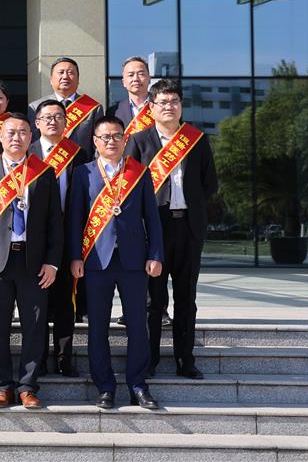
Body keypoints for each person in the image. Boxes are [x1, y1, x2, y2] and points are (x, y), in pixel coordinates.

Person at [68, 116, 164, 410]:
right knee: (98, 326)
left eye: (117, 136)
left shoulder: (139, 172)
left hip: (134, 260)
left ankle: (138, 385)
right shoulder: (83, 173)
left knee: (138, 325)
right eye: (105, 137)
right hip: (96, 260)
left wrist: (156, 254)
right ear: (95, 142)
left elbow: (152, 217)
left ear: (125, 140)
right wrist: (75, 256)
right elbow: (75, 219)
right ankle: (105, 387)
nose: (111, 141)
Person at [125, 78, 217, 380]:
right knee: (152, 300)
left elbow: (209, 183)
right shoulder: (139, 141)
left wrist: (193, 206)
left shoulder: (196, 139)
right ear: (151, 107)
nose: (169, 107)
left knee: (186, 297)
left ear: (181, 106)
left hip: (188, 228)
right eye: (163, 102)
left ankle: (185, 360)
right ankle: (149, 360)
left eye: (174, 101)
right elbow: (130, 189)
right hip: (154, 230)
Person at [0, 114, 61, 409]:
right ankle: (2, 386)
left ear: (30, 137)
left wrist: (52, 262)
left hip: (34, 263)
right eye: (10, 132)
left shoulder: (43, 172)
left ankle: (28, 386)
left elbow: (55, 222)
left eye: (23, 132)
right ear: (0, 136)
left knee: (34, 326)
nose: (16, 137)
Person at [33, 99, 85, 377]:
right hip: (33, 236)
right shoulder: (27, 152)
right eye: (47, 117)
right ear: (37, 123)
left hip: (67, 232)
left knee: (65, 300)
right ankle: (38, 358)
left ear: (66, 122)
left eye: (58, 117)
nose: (53, 122)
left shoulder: (78, 153)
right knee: (37, 300)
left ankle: (64, 358)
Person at [29, 57, 103, 158]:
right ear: (51, 80)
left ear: (78, 80)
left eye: (70, 73)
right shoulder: (35, 107)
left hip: (83, 165)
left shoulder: (93, 108)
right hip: (46, 163)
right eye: (61, 72)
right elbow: (33, 142)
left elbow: (98, 145)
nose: (65, 76)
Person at [114, 56, 155, 141]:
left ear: (149, 79)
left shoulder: (161, 106)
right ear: (123, 82)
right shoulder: (114, 111)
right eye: (130, 75)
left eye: (141, 74)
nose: (136, 79)